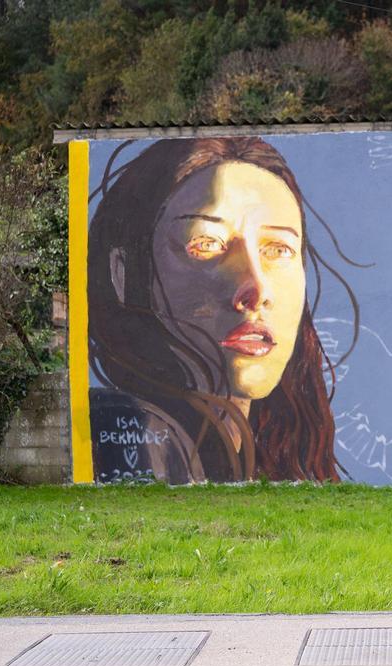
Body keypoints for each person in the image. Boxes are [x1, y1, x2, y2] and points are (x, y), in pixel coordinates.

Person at [87, 137, 354, 483]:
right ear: (123, 274)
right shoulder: (132, 428)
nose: (256, 290)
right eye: (206, 244)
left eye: (279, 249)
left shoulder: (259, 459)